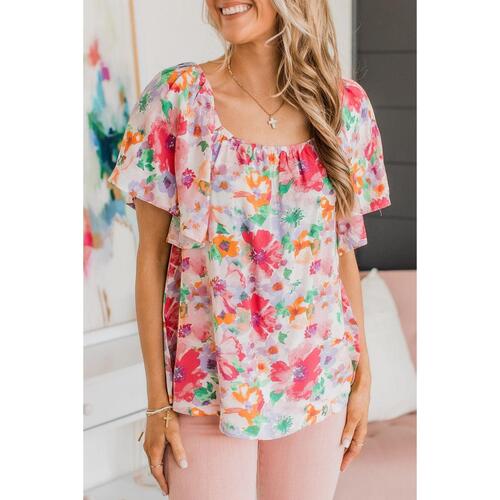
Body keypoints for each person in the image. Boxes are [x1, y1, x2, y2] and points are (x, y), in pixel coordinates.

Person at [108, 1, 391, 498]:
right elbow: (150, 258)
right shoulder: (177, 100)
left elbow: (340, 253)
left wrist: (362, 376)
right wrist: (157, 403)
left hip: (318, 382)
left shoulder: (345, 107)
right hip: (205, 386)